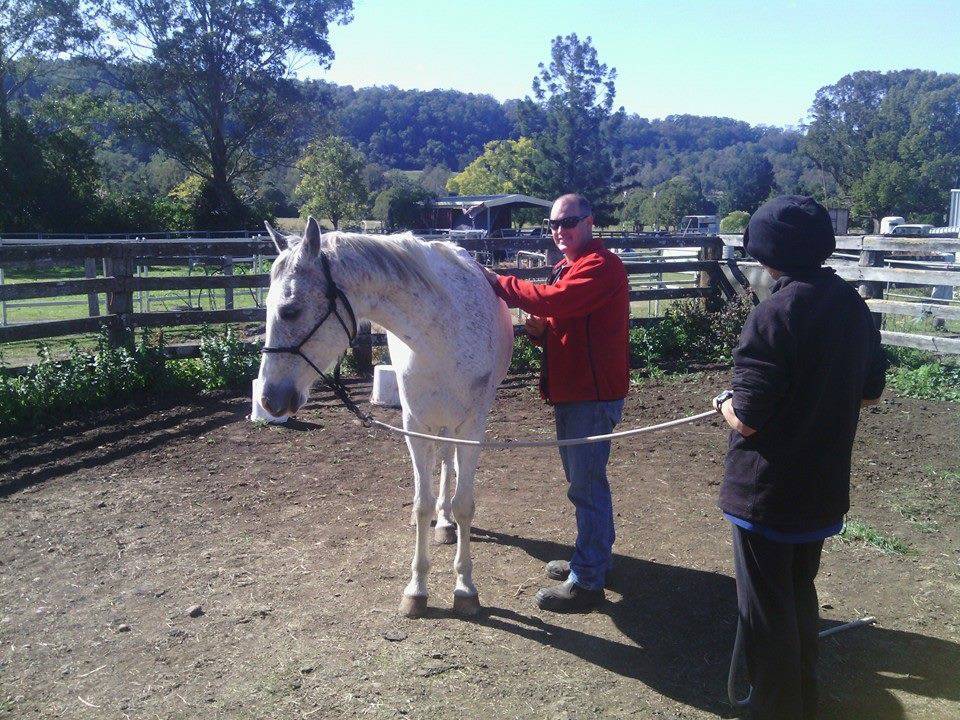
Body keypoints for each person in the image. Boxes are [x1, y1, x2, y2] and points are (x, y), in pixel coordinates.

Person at [713, 195, 887, 720]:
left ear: (768, 258)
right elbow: (871, 392)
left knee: (765, 614)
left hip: (768, 495)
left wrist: (723, 402)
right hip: (821, 486)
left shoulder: (773, 314)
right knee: (798, 596)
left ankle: (774, 709)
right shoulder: (851, 305)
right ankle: (804, 701)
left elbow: (749, 417)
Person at [480, 193, 629, 612]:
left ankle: (588, 582)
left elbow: (556, 300)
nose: (559, 232)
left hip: (590, 395)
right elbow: (560, 313)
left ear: (589, 222)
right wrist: (541, 328)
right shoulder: (572, 266)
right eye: (553, 225)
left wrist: (500, 284)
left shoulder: (601, 266)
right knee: (585, 482)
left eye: (568, 222)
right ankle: (594, 558)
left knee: (586, 484)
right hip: (574, 391)